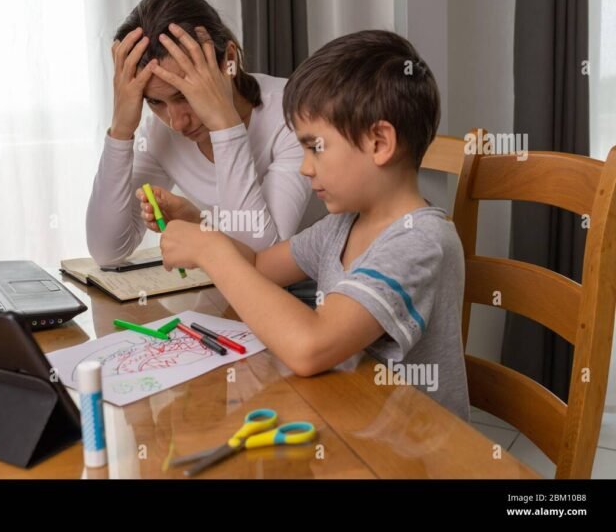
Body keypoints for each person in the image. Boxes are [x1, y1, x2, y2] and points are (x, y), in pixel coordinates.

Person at [159, 30, 470, 420]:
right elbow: (258, 266)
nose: (305, 168)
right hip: (349, 421)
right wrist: (202, 227)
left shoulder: (419, 240)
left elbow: (311, 347)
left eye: (314, 147)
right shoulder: (342, 225)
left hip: (411, 448)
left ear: (379, 143)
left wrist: (210, 251)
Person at [86, 0, 323, 266]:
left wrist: (225, 125)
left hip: (323, 282)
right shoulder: (160, 134)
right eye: (154, 102)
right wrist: (120, 131)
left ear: (229, 61)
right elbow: (107, 250)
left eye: (184, 95)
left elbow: (263, 256)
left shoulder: (293, 114)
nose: (177, 122)